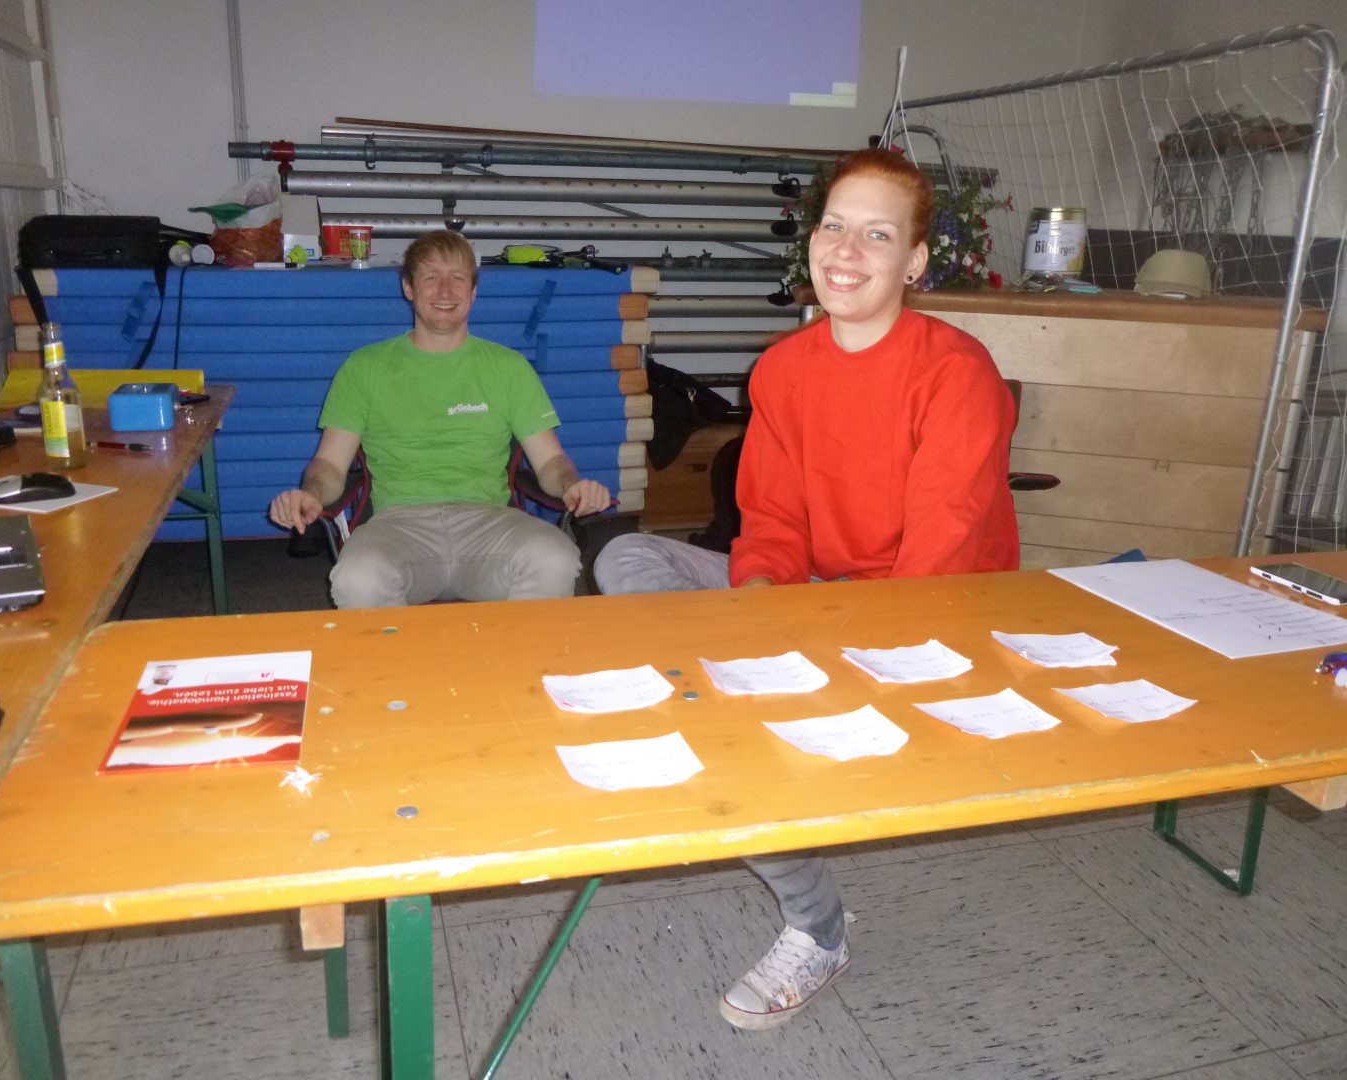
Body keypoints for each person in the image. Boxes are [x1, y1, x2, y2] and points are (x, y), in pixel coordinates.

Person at [594, 149, 1020, 1029]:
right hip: (808, 594)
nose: (847, 251)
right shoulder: (783, 368)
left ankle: (818, 929)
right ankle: (725, 705)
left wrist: (807, 649)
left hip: (927, 611)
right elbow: (772, 520)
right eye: (834, 226)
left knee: (738, 729)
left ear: (915, 261)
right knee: (625, 558)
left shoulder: (956, 371)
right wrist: (760, 607)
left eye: (878, 235)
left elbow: (939, 554)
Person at [270, 230, 613, 608]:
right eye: (431, 276)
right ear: (408, 287)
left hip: (490, 526)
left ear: (474, 291)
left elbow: (550, 461)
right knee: (358, 578)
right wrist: (311, 494)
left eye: (458, 278)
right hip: (399, 527)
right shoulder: (363, 368)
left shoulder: (509, 368)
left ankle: (517, 649)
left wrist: (572, 485)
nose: (445, 290)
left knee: (556, 558)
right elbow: (330, 465)